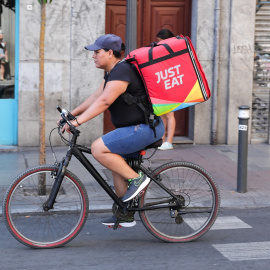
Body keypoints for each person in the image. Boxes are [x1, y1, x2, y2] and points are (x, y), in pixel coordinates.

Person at [61, 34, 165, 227]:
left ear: (110, 53)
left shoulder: (122, 71)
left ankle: (138, 179)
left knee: (98, 148)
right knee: (115, 164)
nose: (93, 56)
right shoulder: (111, 72)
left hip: (144, 128)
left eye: (97, 52)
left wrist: (78, 122)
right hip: (134, 128)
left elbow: (105, 101)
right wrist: (71, 115)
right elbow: (96, 96)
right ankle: (126, 213)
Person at [156, 29, 176, 150]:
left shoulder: (172, 51)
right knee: (163, 114)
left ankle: (169, 141)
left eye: (160, 42)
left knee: (169, 114)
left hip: (170, 84)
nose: (158, 44)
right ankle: (163, 140)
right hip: (163, 84)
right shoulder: (164, 51)